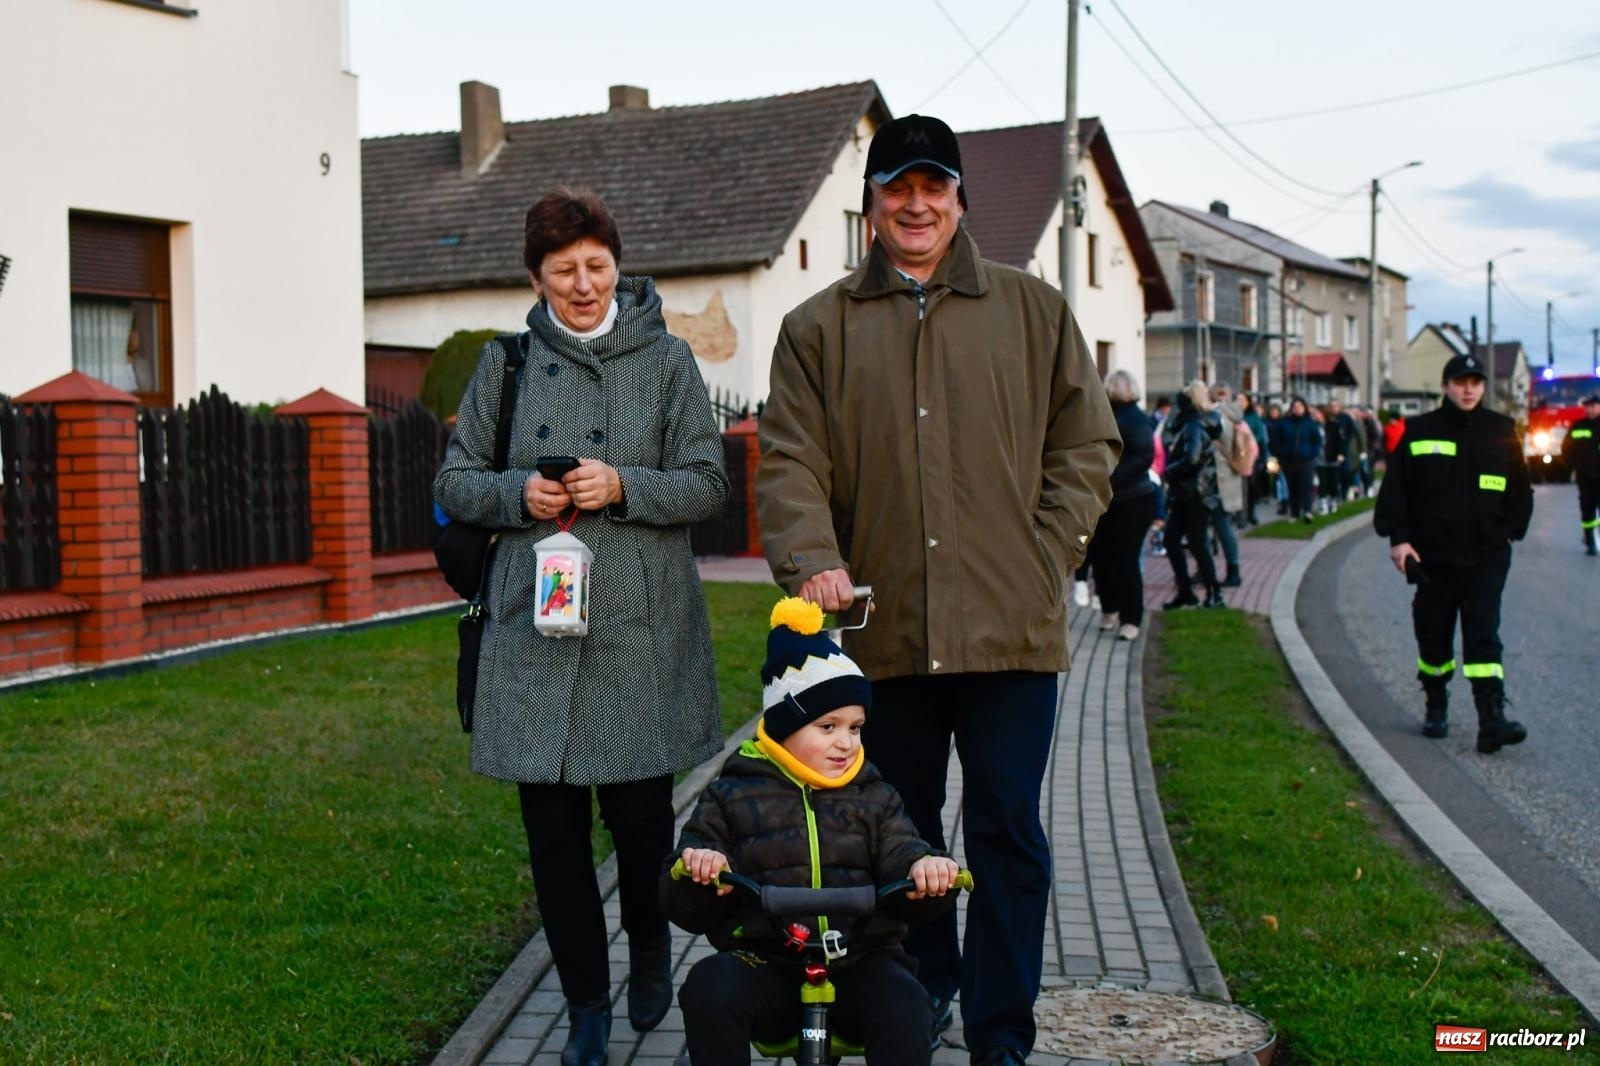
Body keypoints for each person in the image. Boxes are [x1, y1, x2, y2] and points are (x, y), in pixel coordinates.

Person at [754, 113, 1120, 1066]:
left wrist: (1050, 554)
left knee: (1006, 832)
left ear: (961, 199)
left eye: (934, 186)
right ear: (871, 204)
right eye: (896, 187)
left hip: (1011, 634)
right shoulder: (815, 329)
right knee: (899, 838)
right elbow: (790, 465)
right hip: (882, 633)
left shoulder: (1034, 312)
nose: (916, 203)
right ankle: (922, 997)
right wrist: (812, 563)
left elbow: (1087, 448)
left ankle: (1002, 1032)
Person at [433, 187, 729, 1066]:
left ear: (618, 265)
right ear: (536, 277)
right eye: (564, 270)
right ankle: (585, 1005)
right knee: (554, 840)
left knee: (642, 829)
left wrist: (626, 485)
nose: (584, 283)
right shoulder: (506, 365)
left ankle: (648, 957)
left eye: (596, 265)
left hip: (636, 633)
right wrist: (514, 491)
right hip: (537, 633)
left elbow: (710, 483)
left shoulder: (669, 362)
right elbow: (455, 479)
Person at [664, 598, 962, 1066]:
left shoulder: (875, 796)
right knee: (709, 989)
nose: (846, 742)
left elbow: (905, 855)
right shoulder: (733, 793)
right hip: (769, 963)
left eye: (856, 727)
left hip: (861, 961)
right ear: (783, 728)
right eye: (828, 726)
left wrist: (928, 876)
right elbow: (681, 896)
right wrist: (699, 872)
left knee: (908, 1005)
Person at [1373, 351, 1532, 752]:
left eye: (1475, 382)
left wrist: (1511, 531)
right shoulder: (1421, 429)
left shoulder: (1501, 429)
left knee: (1484, 637)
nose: (1468, 389)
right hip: (1433, 559)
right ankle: (1436, 702)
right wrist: (1399, 539)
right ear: (1446, 386)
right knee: (1434, 638)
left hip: (1486, 556)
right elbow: (1397, 490)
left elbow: (1520, 488)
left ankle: (1491, 718)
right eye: (1460, 382)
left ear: (1482, 386)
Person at [1088, 370, 1158, 641]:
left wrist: (1110, 477)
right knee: (1101, 557)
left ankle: (1132, 618)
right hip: (1106, 498)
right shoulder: (1104, 414)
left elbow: (1143, 455)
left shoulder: (1136, 419)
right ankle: (1109, 609)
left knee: (1126, 561)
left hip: (1132, 499)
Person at [1160, 381, 1225, 609]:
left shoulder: (1195, 425)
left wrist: (1169, 471)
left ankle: (1214, 592)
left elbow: (1192, 458)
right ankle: (1186, 591)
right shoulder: (1193, 423)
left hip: (1194, 493)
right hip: (1188, 492)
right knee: (1174, 540)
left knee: (1197, 544)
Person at [1207, 382, 1246, 587]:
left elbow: (1220, 439)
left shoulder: (1221, 414)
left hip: (1220, 477)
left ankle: (1233, 570)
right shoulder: (1235, 414)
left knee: (1222, 527)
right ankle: (1223, 569)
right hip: (1225, 478)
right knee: (1218, 526)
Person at [1269, 396, 1322, 522]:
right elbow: (1275, 441)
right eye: (1295, 407)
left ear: (1304, 408)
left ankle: (1307, 510)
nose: (1298, 409)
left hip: (1306, 460)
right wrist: (1281, 453)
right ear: (1291, 409)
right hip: (1289, 460)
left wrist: (1312, 453)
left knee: (1306, 486)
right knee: (1292, 488)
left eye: (1300, 407)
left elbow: (1317, 441)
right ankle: (1294, 512)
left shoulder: (1310, 423)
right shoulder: (1284, 423)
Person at [1559, 393, 1600, 555]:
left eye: (1593, 406)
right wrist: (1569, 466)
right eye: (1587, 406)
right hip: (1585, 475)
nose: (1590, 409)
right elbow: (1567, 448)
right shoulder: (1578, 426)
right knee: (1587, 507)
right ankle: (1589, 539)